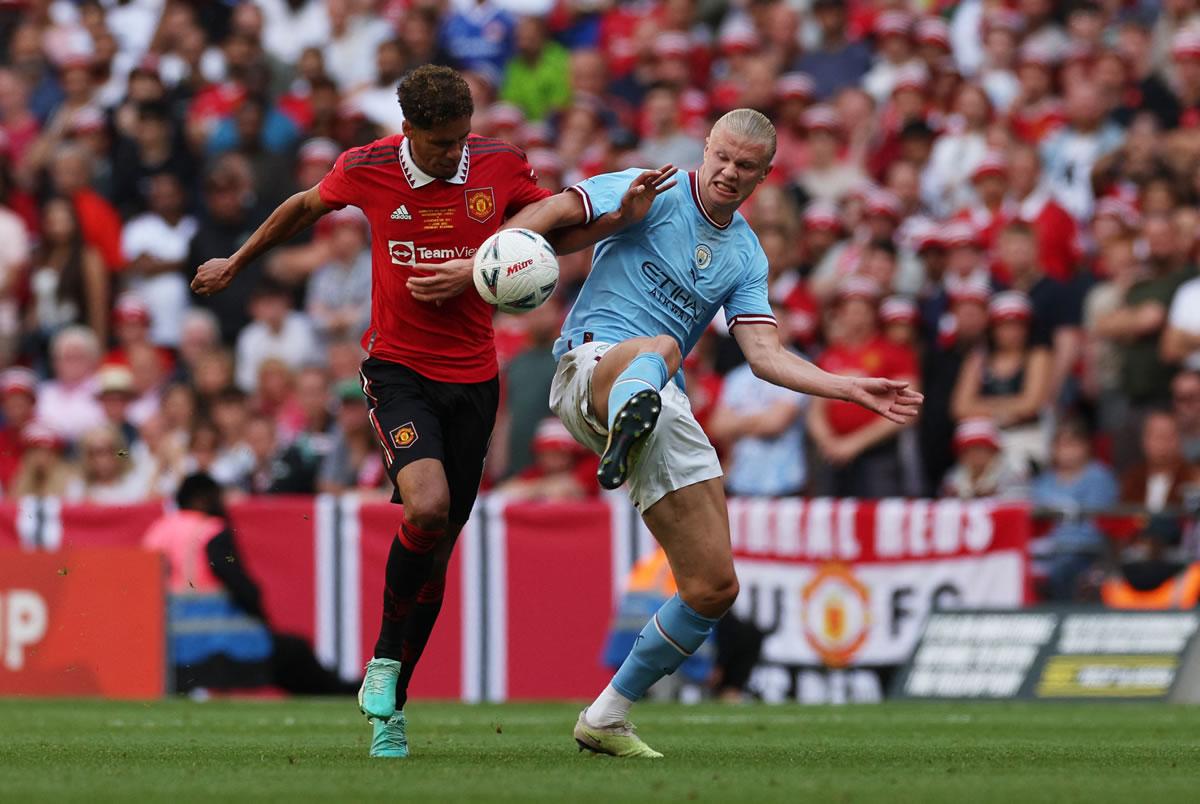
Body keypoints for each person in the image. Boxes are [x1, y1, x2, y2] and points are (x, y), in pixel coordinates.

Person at [190, 65, 662, 759]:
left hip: (474, 379)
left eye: (460, 140)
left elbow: (542, 236)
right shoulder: (368, 167)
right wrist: (237, 259)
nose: (453, 154)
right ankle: (382, 659)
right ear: (408, 130)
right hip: (396, 370)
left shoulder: (498, 165)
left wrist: (617, 221)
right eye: (441, 144)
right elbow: (302, 206)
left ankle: (393, 705)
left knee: (436, 553)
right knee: (427, 508)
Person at [490, 109, 921, 756]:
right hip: (590, 368)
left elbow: (766, 355)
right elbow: (552, 212)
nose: (728, 172)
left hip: (662, 401)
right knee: (663, 345)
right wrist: (489, 259)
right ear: (706, 147)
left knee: (714, 586)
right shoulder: (651, 186)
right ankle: (627, 423)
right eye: (721, 156)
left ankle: (606, 715)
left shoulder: (746, 253)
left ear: (764, 177)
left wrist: (849, 386)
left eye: (745, 166)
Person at [1030, 419, 1119, 600]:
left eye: (1072, 443)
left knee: (1064, 569)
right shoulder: (1042, 482)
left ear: (1086, 446)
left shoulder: (1099, 478)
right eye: (1060, 444)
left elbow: (1098, 525)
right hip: (1045, 553)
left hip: (1086, 553)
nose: (1066, 451)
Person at [1119, 410, 1200, 513]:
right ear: (1144, 440)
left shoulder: (1194, 478)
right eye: (1158, 436)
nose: (1163, 444)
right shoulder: (1130, 480)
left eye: (1170, 436)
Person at [940, 417, 1027, 500]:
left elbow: (1018, 504)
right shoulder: (952, 478)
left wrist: (994, 495)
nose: (976, 455)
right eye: (970, 450)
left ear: (994, 452)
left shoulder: (1012, 474)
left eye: (982, 449)